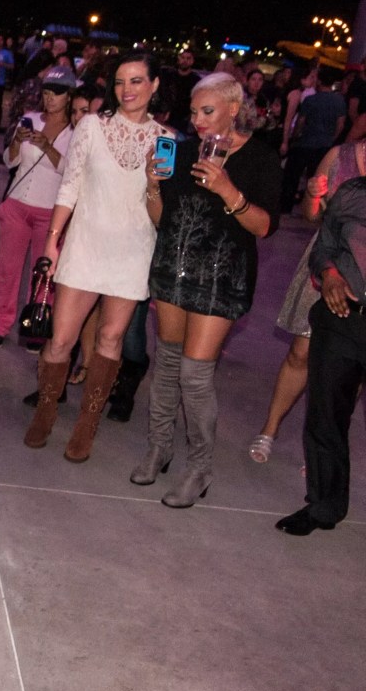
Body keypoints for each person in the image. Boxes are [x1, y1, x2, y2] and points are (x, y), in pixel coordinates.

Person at [130, 73, 282, 505]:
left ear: (233, 109)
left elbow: (265, 226)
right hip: (174, 269)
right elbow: (163, 220)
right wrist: (152, 185)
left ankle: (199, 468)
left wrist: (227, 190)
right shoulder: (181, 152)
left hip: (222, 276)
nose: (197, 120)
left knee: (195, 376)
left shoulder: (260, 158)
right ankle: (159, 447)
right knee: (167, 364)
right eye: (194, 111)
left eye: (208, 111)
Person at [23, 50, 173, 461]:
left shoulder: (165, 140)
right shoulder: (91, 125)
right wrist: (53, 241)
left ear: (154, 85)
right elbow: (69, 185)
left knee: (110, 338)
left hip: (133, 250)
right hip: (85, 243)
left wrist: (155, 183)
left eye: (137, 81)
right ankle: (46, 411)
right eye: (120, 82)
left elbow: (160, 215)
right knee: (61, 340)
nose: (127, 90)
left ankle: (87, 424)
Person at [250, 133, 366, 462]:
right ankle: (269, 429)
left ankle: (325, 448)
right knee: (300, 352)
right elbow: (311, 216)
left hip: (362, 276)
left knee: (351, 368)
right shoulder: (340, 156)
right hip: (324, 264)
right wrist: (313, 197)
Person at [274, 174, 366, 535]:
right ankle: (323, 506)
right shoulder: (353, 194)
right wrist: (328, 274)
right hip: (343, 317)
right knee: (325, 414)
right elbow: (323, 249)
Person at [0, 65, 77, 348]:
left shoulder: (76, 131)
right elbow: (11, 160)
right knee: (7, 271)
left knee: (43, 275)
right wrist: (16, 142)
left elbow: (72, 172)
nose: (51, 98)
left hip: (51, 213)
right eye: (47, 91)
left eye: (58, 93)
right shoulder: (30, 119)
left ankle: (35, 327)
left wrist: (48, 146)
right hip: (17, 205)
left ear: (69, 96)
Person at [281, 65, 347, 213]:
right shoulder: (339, 101)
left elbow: (301, 122)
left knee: (292, 176)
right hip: (324, 145)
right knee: (317, 178)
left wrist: (294, 136)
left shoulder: (311, 100)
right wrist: (332, 138)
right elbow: (340, 124)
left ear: (319, 81)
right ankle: (313, 209)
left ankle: (286, 206)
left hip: (305, 142)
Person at [160, 48, 199, 135]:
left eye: (188, 58)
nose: (184, 61)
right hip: (166, 119)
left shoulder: (196, 80)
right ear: (178, 58)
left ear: (192, 61)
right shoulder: (169, 76)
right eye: (182, 57)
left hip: (184, 122)